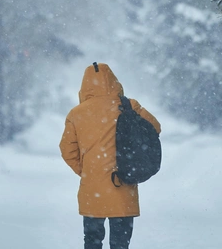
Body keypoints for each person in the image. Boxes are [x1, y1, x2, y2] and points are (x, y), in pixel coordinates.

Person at [60, 62, 161, 249]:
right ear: (114, 81)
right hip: (123, 183)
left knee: (92, 240)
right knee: (120, 244)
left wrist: (86, 170)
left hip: (92, 191)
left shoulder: (76, 114)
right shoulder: (129, 105)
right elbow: (154, 128)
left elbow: (67, 150)